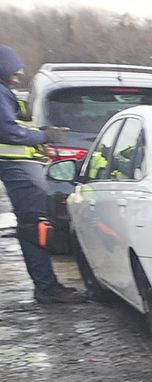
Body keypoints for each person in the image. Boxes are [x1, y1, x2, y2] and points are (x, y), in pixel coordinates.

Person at [0, 45, 84, 303]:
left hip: (21, 167)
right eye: (15, 69)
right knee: (33, 227)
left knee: (33, 226)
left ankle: (46, 286)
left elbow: (17, 119)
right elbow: (8, 131)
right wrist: (44, 136)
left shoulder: (6, 92)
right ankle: (47, 288)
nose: (19, 74)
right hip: (18, 168)